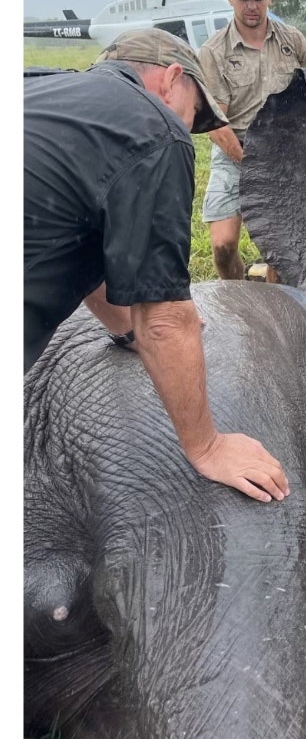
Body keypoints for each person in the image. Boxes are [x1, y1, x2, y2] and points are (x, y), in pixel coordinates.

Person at [24, 27, 290, 503]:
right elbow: (165, 319)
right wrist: (207, 446)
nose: (188, 128)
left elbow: (78, 240)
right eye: (194, 114)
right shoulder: (154, 130)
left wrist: (126, 328)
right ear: (171, 80)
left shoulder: (38, 85)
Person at [197, 0, 306, 280]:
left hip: (286, 154)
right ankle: (239, 300)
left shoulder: (294, 41)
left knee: (284, 250)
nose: (251, 6)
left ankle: (279, 304)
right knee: (222, 246)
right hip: (234, 151)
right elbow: (215, 123)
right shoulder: (214, 52)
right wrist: (249, 162)